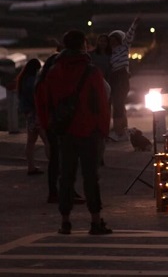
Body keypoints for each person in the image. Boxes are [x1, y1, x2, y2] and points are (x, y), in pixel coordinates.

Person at [36, 29, 112, 235]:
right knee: (90, 177)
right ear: (83, 45)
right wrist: (104, 129)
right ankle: (95, 221)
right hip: (89, 131)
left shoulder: (53, 71)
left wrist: (48, 127)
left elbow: (44, 101)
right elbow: (102, 105)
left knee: (66, 177)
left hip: (64, 131)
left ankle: (65, 221)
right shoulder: (91, 71)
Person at [108, 16, 139, 141]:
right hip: (112, 78)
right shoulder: (108, 52)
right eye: (111, 39)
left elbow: (129, 35)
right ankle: (123, 130)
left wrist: (134, 24)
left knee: (118, 104)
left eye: (116, 39)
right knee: (119, 104)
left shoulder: (124, 47)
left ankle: (118, 131)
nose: (113, 42)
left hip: (122, 77)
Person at [16, 58, 49, 175]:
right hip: (36, 113)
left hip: (29, 114)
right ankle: (54, 165)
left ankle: (31, 166)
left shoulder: (23, 80)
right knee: (47, 140)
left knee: (31, 142)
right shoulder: (33, 81)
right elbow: (36, 99)